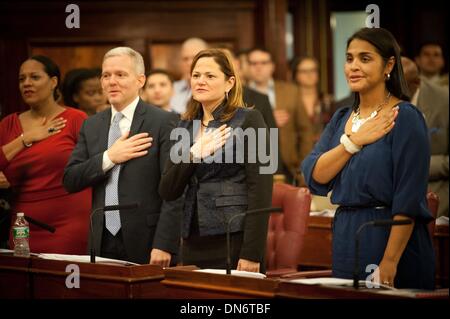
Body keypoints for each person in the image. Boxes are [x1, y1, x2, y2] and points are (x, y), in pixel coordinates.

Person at [301, 28, 435, 289]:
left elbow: (408, 200)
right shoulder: (341, 118)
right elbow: (315, 174)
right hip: (346, 237)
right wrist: (353, 142)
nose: (353, 66)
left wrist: (389, 261)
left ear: (389, 65)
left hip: (388, 237)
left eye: (365, 58)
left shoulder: (405, 117)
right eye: (349, 58)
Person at [159, 49, 273, 273]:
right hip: (193, 238)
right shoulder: (184, 126)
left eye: (210, 76)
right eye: (196, 75)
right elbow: (167, 190)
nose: (201, 81)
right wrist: (193, 154)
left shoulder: (251, 119)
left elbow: (261, 190)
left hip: (234, 237)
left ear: (229, 82)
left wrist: (252, 252)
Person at [63, 47, 180, 265]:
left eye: (120, 75)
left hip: (148, 239)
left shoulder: (165, 122)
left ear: (140, 80)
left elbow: (175, 191)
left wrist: (165, 243)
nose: (111, 82)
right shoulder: (91, 125)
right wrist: (109, 157)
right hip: (101, 239)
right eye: (106, 75)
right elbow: (70, 179)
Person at [0, 55, 91, 254]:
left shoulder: (76, 119)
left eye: (34, 77)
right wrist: (26, 138)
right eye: (21, 79)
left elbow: (92, 168)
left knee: (62, 282)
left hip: (69, 221)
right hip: (23, 222)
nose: (27, 84)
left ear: (53, 82)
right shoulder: (8, 124)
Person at [247, 48, 313, 185]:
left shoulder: (290, 91)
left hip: (288, 166)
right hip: (254, 167)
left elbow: (305, 130)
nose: (258, 67)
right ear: (247, 66)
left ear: (272, 66)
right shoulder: (240, 95)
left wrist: (303, 166)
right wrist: (268, 119)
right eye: (254, 63)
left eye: (263, 63)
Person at [402, 56, 448, 217]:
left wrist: (422, 165)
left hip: (437, 196)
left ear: (416, 83)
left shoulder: (445, 101)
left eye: (397, 84)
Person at [291, 56, 334, 143]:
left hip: (325, 152)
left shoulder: (328, 101)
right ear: (296, 75)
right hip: (295, 152)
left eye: (313, 70)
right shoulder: (290, 102)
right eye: (304, 71)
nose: (309, 75)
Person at [170, 38, 209, 114]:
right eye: (185, 59)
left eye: (195, 58)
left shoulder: (216, 88)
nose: (190, 63)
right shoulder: (170, 89)